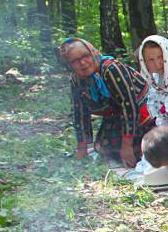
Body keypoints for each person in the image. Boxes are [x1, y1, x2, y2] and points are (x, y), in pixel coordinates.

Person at [59, 37, 154, 168]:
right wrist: (82, 148)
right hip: (116, 117)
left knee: (146, 151)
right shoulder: (77, 80)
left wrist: (127, 146)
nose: (83, 63)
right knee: (104, 149)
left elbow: (129, 105)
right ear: (69, 65)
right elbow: (80, 112)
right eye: (75, 61)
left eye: (85, 56)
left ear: (93, 53)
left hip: (143, 115)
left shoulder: (112, 69)